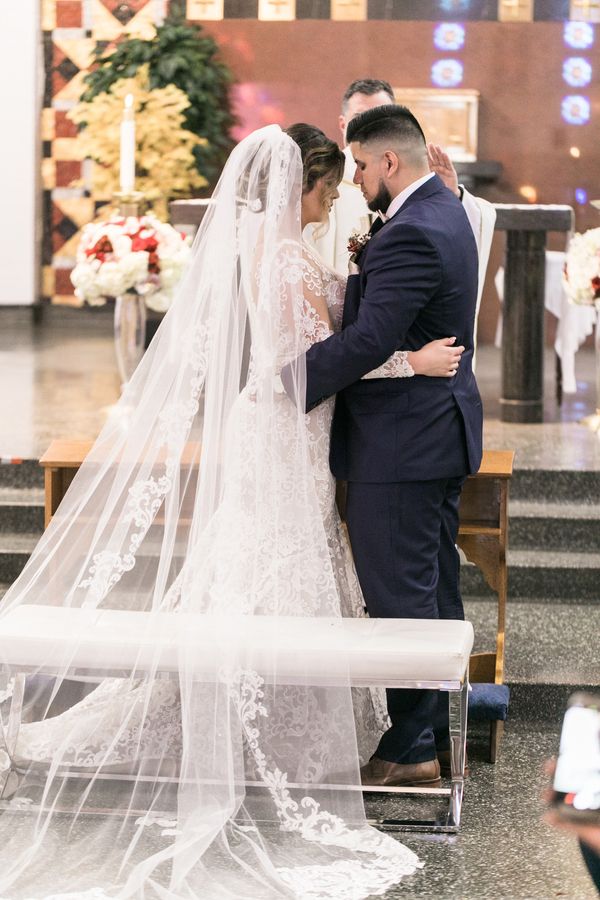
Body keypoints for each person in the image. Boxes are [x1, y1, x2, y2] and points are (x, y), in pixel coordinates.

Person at [0, 124, 461, 900]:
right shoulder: (279, 257)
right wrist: (405, 360)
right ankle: (251, 729)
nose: (340, 194)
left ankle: (269, 719)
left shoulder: (274, 248)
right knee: (267, 560)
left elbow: (328, 329)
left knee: (273, 558)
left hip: (294, 431)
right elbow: (302, 363)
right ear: (303, 187)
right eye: (330, 184)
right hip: (284, 427)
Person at [283, 105, 483, 788]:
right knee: (430, 595)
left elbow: (371, 340)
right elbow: (385, 315)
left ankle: (411, 751)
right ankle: (432, 734)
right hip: (434, 433)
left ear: (389, 161)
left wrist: (283, 386)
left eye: (362, 166)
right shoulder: (446, 209)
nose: (357, 179)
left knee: (399, 599)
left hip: (401, 443)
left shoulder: (410, 231)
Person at [308, 79, 495, 361]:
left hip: (393, 360)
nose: (358, 178)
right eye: (362, 117)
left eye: (382, 115)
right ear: (343, 123)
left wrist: (454, 197)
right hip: (341, 351)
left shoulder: (424, 191)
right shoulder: (322, 185)